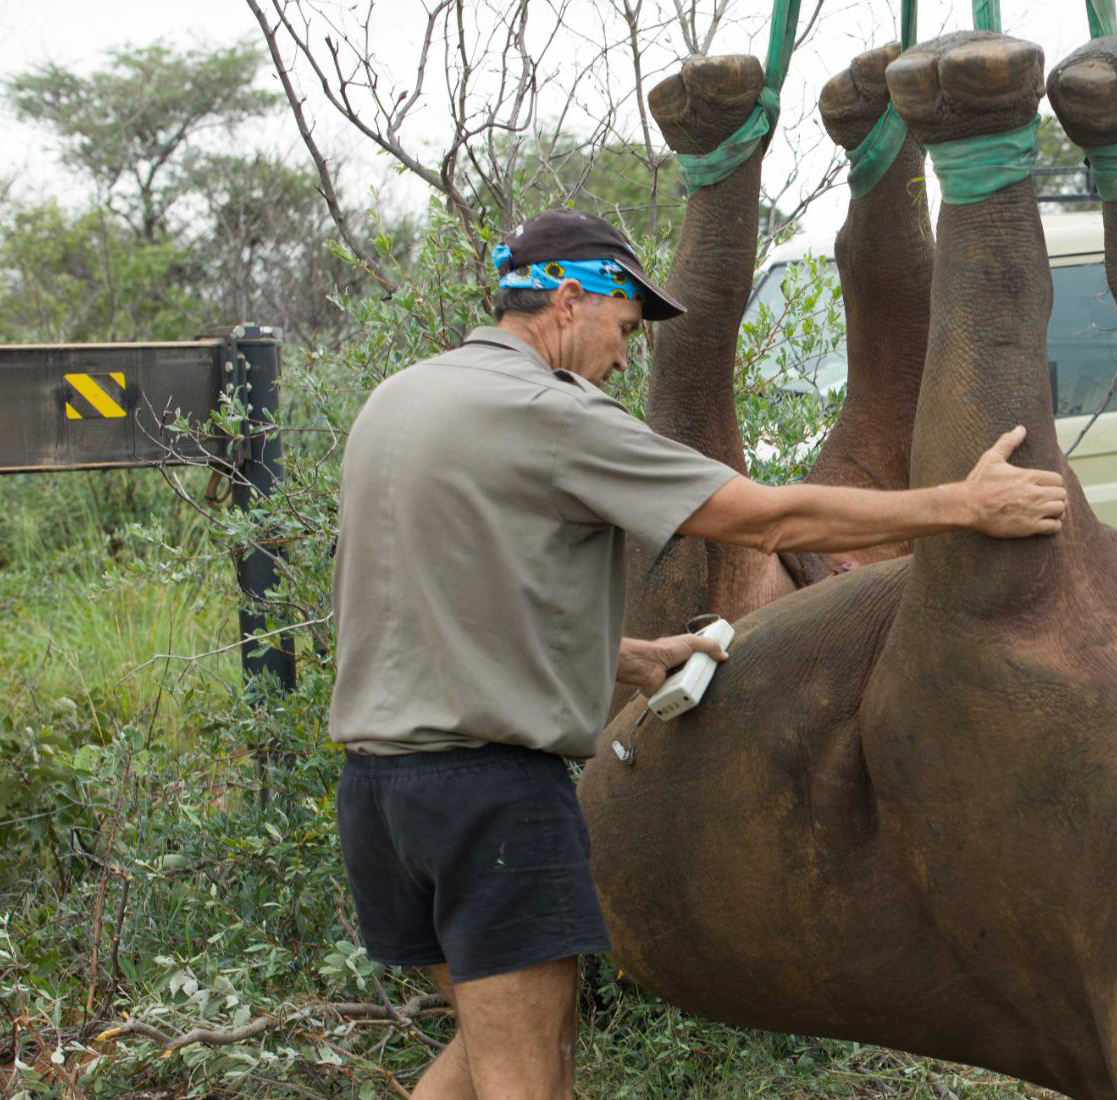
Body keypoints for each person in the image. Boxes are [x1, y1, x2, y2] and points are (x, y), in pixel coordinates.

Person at [328, 209, 1068, 1100]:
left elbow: (442, 599)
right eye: (624, 330)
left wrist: (628, 656)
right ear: (570, 301)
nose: (621, 357)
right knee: (533, 1075)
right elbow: (768, 519)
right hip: (486, 798)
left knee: (489, 1053)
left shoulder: (402, 399)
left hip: (378, 797)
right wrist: (961, 505)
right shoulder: (550, 414)